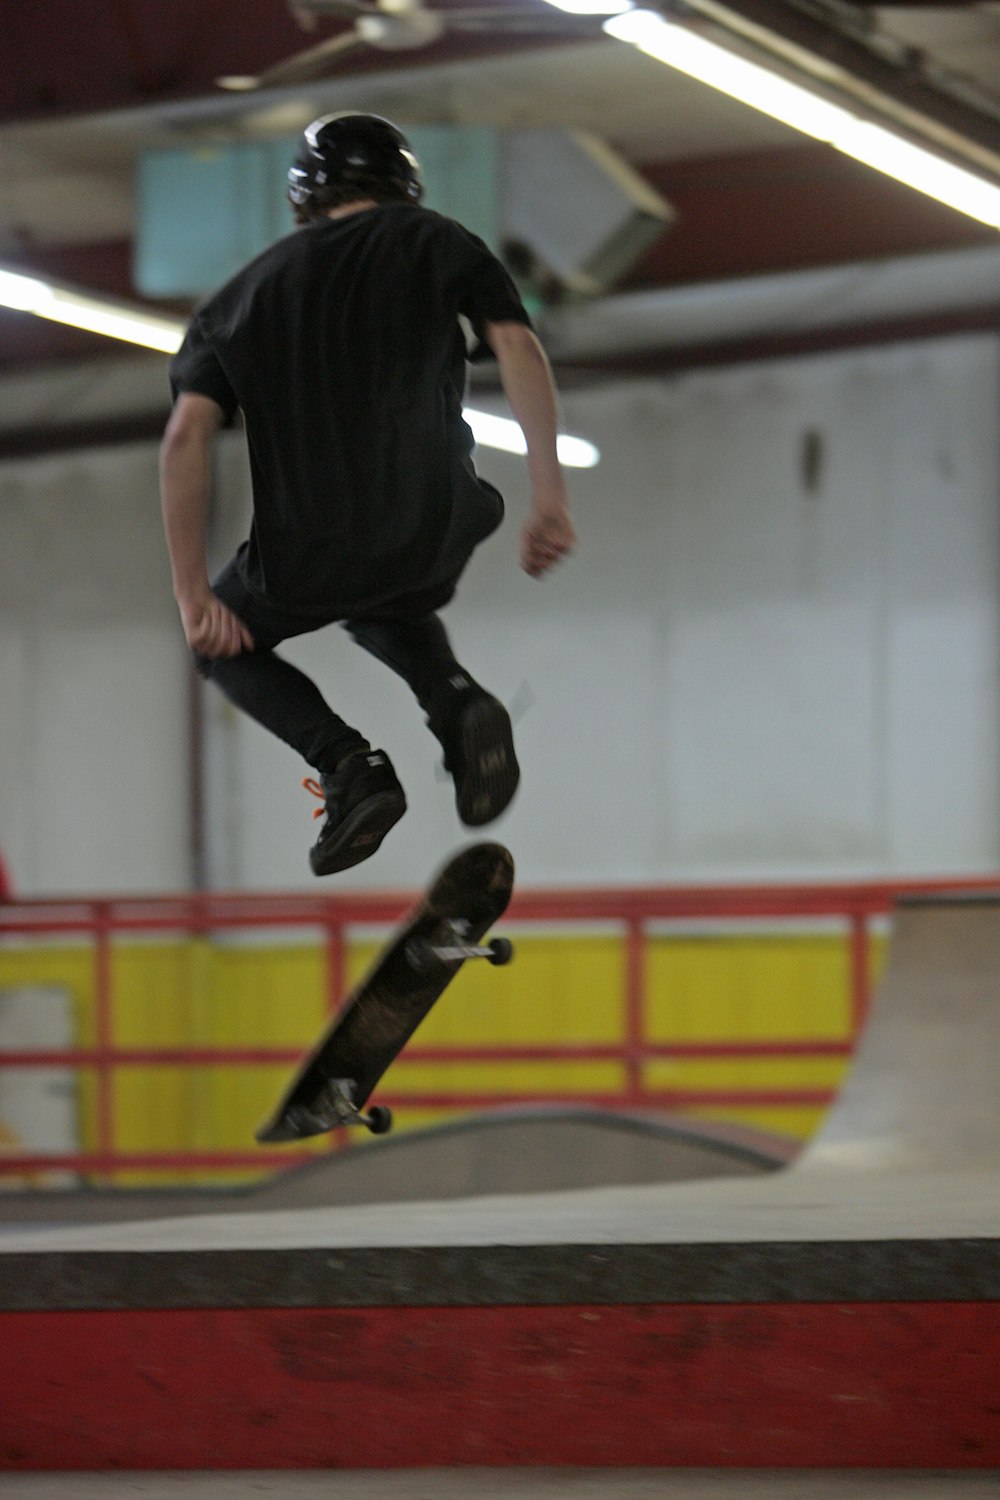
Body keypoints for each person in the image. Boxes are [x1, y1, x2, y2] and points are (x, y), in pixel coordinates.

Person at [160, 112, 575, 876]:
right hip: (437, 525)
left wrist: (192, 594)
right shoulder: (437, 239)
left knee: (220, 646)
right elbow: (519, 344)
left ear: (303, 199)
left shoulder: (237, 299)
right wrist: (549, 495)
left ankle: (349, 767)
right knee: (385, 595)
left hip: (307, 551)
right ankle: (454, 701)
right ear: (402, 186)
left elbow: (186, 438)